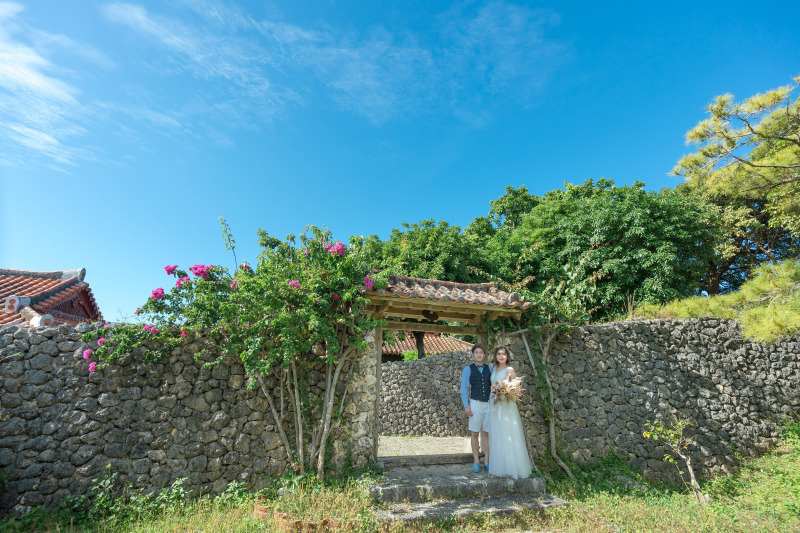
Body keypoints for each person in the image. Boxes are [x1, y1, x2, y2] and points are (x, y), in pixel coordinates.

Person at [488, 346, 532, 479]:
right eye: (499, 354)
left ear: (507, 356)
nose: (501, 356)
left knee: (508, 434)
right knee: (497, 435)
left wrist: (505, 394)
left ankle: (513, 468)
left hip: (506, 406)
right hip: (495, 405)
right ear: (495, 356)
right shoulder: (494, 369)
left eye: (503, 354)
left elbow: (515, 389)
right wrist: (495, 392)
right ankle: (500, 468)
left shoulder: (510, 370)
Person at [460, 344, 492, 473]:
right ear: (473, 355)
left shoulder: (490, 369)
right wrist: (466, 405)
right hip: (475, 403)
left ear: (484, 355)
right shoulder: (468, 369)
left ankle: (487, 461)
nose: (479, 354)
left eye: (481, 352)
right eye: (476, 352)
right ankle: (476, 461)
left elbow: (495, 386)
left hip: (488, 404)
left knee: (488, 433)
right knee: (474, 433)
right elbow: (464, 389)